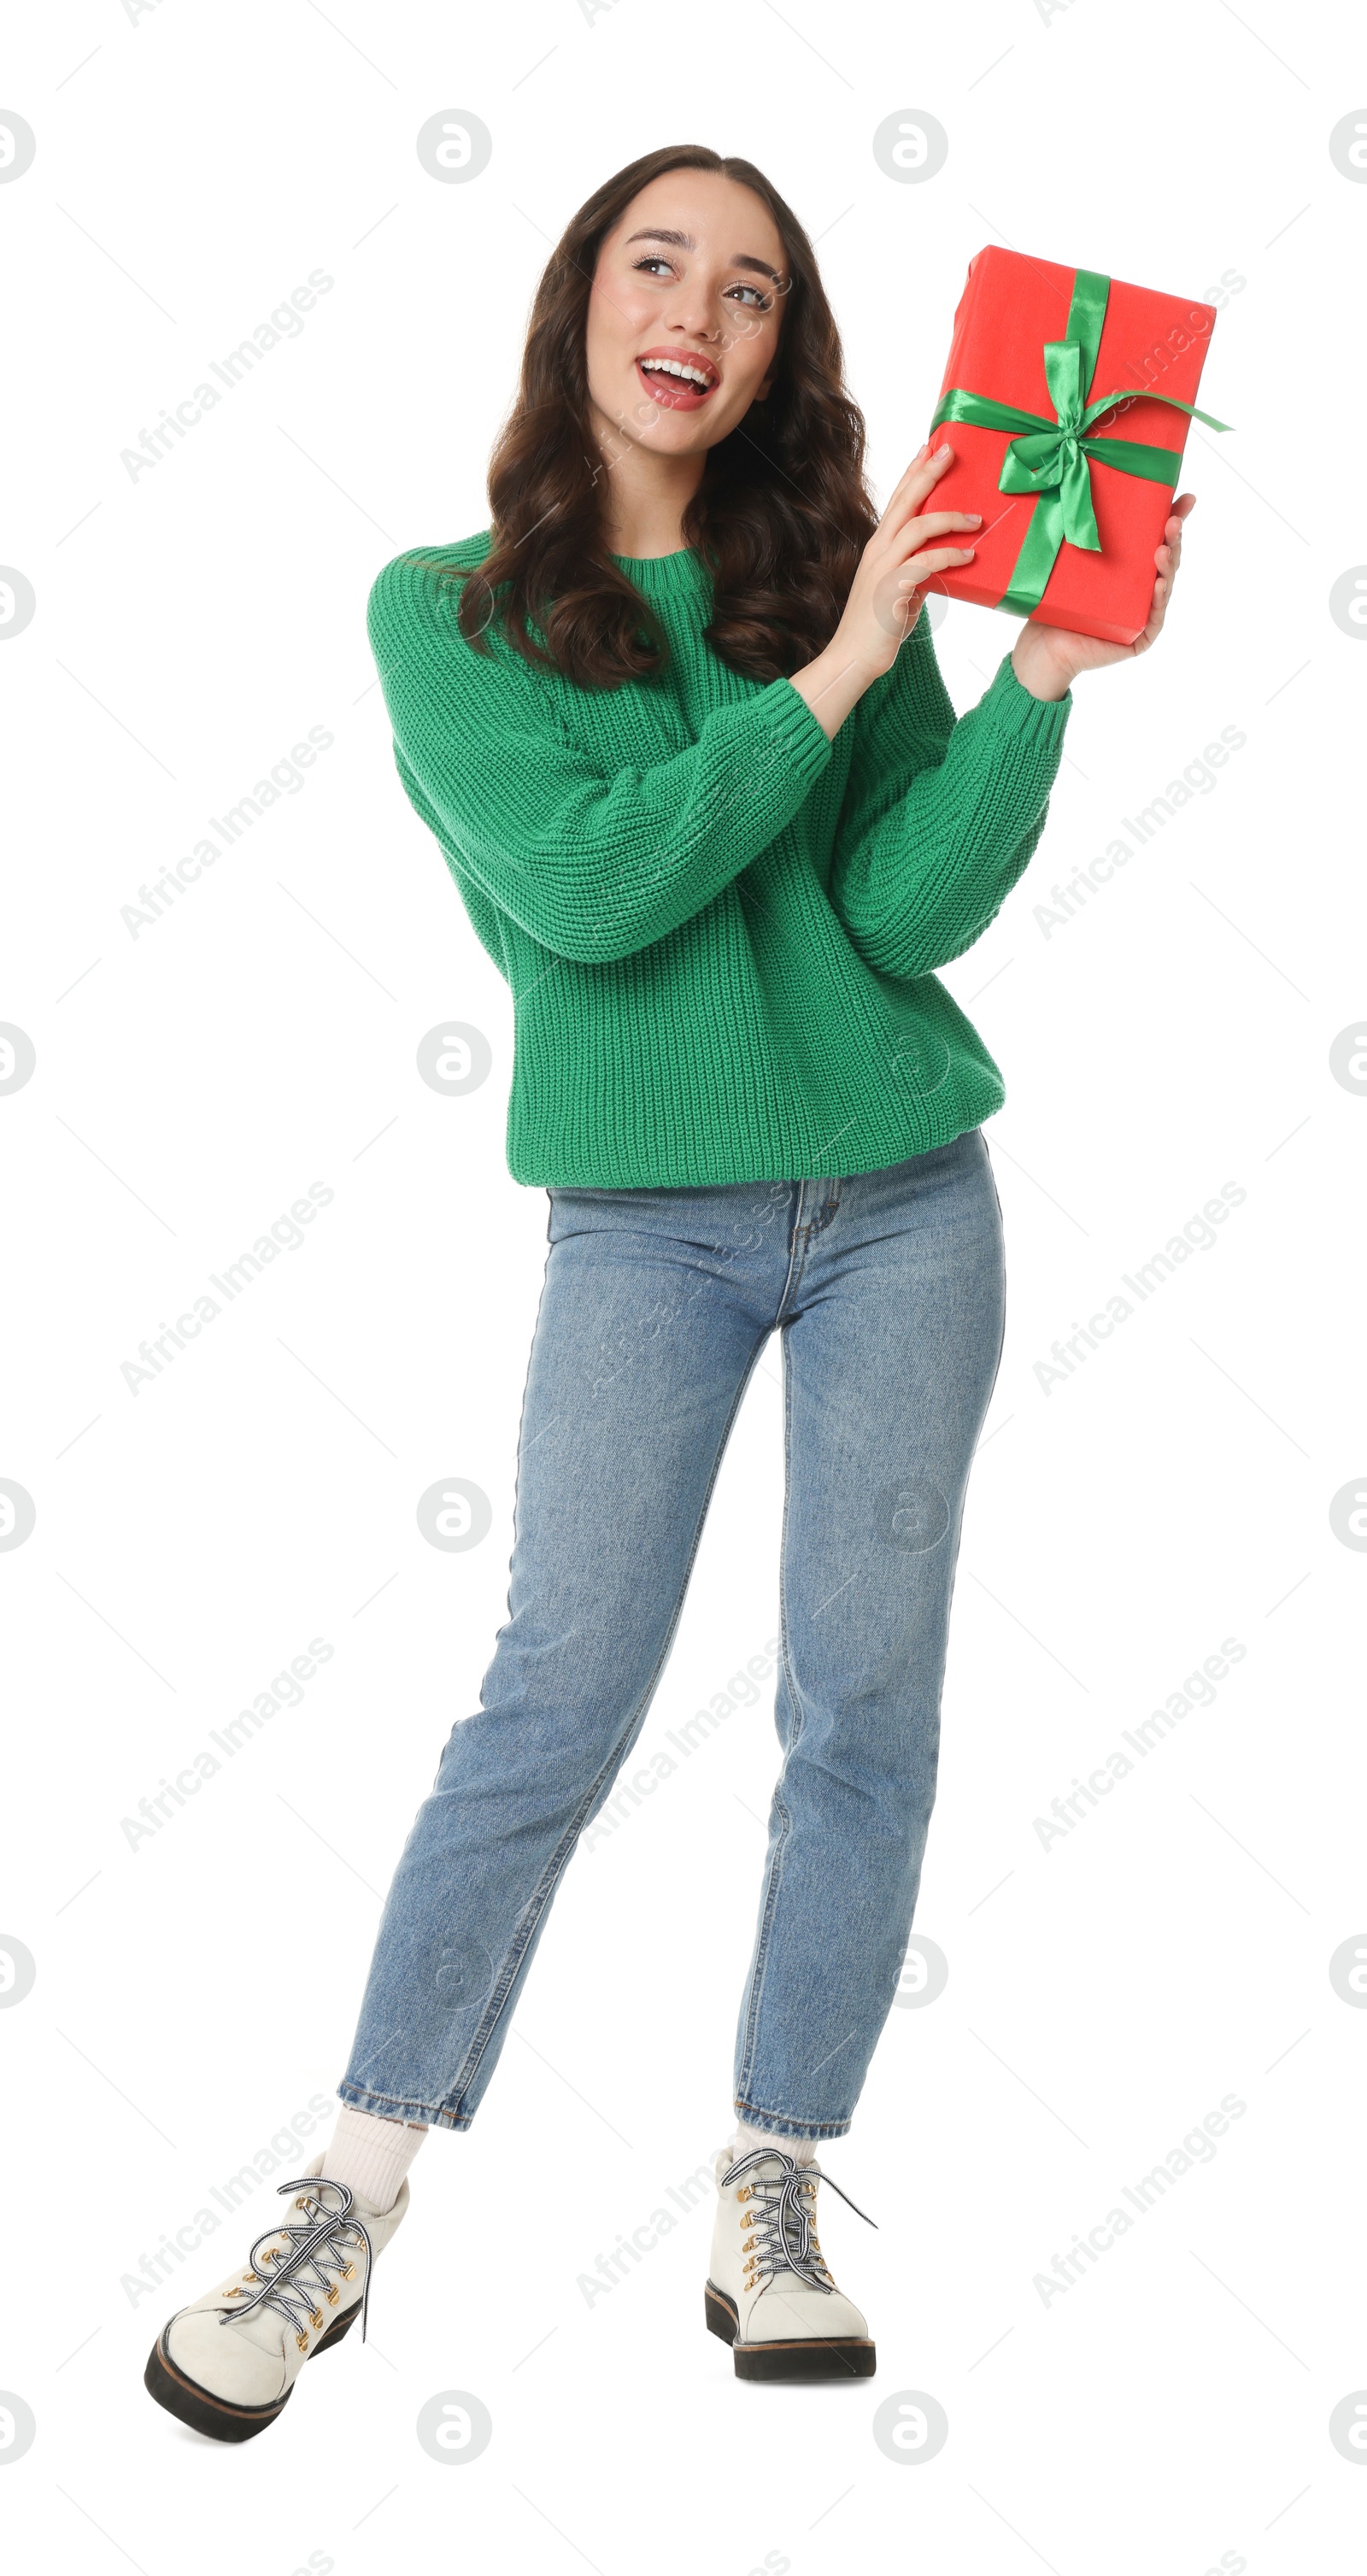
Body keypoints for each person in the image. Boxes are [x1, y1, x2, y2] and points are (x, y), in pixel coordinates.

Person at [144, 143, 1194, 2436]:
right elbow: (605, 895)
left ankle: (776, 2173)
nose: (695, 310)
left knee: (864, 1707)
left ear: (778, 345)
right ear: (583, 303)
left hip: (907, 1200)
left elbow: (903, 918)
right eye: (656, 262)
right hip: (648, 1223)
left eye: (747, 284)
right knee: (555, 1698)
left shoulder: (831, 567)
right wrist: (837, 672)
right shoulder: (450, 615)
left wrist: (1032, 675)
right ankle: (352, 2186)